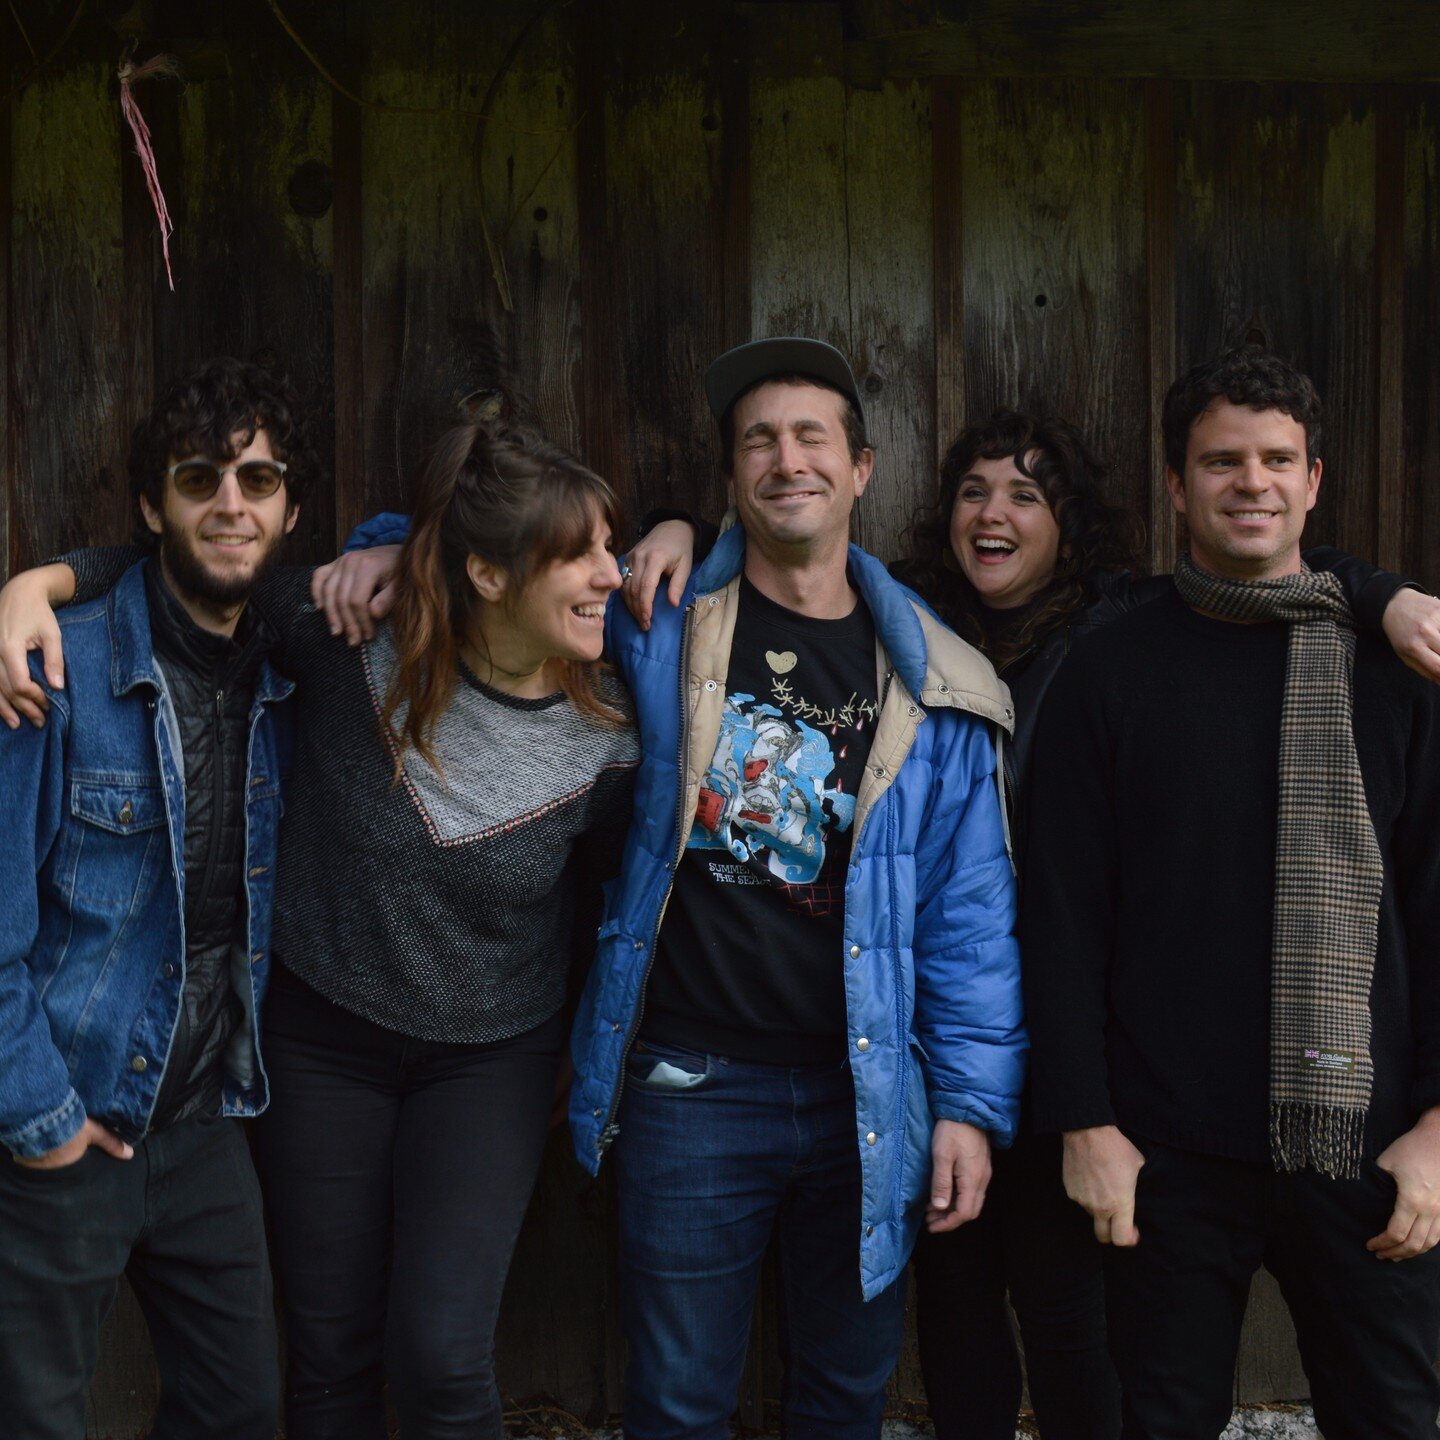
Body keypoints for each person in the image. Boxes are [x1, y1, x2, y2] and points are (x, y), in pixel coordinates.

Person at [624, 406, 1440, 1439]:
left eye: (1026, 494)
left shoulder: (1117, 629)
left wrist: (1381, 591)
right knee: (957, 1298)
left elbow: (1265, 561)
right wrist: (675, 525)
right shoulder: (901, 631)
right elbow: (784, 567)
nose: (994, 513)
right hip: (931, 1025)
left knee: (1070, 1317)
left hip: (1072, 1034)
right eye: (974, 491)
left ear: (1071, 524)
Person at [320, 336, 1026, 1437]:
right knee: (678, 1402)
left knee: (844, 1397)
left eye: (811, 438)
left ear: (861, 469)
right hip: (692, 1083)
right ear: (733, 473)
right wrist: (376, 548)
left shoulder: (941, 687)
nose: (786, 459)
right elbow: (494, 560)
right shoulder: (651, 622)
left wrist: (973, 1111)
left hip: (868, 1097)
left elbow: (971, 920)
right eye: (760, 441)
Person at [0, 417, 639, 1440]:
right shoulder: (344, 637)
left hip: (490, 1058)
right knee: (328, 1353)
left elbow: (617, 896)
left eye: (611, 546)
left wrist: (585, 1043)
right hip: (320, 1039)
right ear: (484, 572)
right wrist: (39, 585)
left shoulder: (617, 721)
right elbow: (191, 582)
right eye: (580, 554)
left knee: (440, 1358)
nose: (612, 574)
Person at [1021, 347, 1440, 1440]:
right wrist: (1085, 1122)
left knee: (1396, 1416)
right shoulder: (1110, 671)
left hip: (1370, 1141)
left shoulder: (1394, 671)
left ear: (1313, 482)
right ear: (1177, 487)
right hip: (1166, 1148)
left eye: (1274, 460)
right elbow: (1059, 918)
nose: (1249, 482)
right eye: (1220, 462)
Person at [0, 357, 310, 1440]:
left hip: (203, 1124)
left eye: (259, 480)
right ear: (151, 505)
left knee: (239, 1412)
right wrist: (40, 1122)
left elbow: (433, 557)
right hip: (60, 1120)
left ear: (289, 508)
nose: (232, 504)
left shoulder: (288, 674)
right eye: (199, 479)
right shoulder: (53, 668)